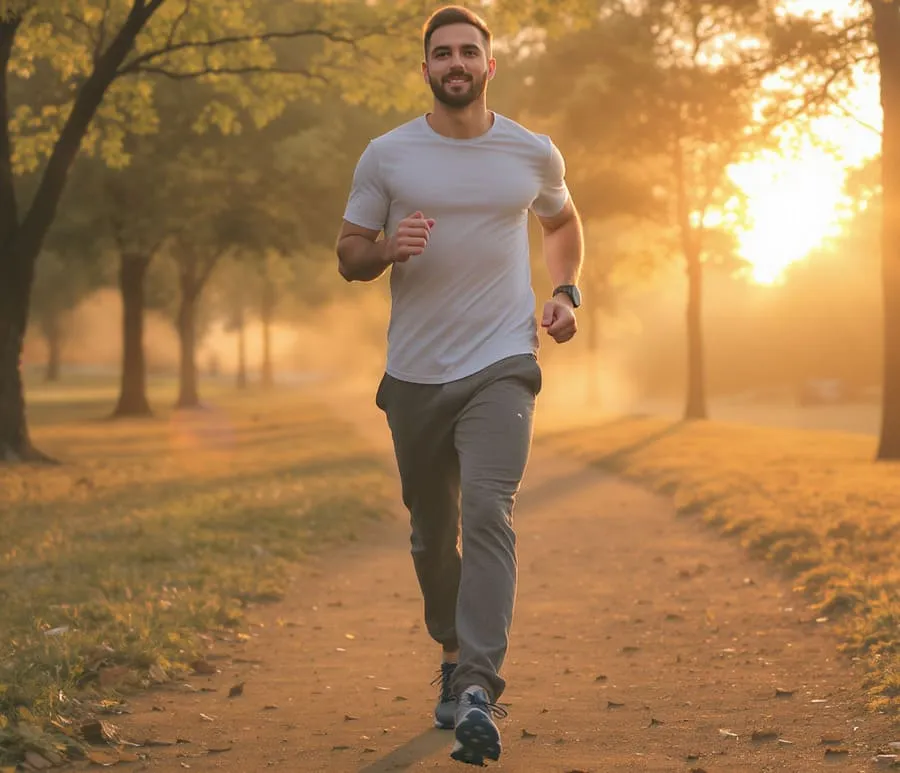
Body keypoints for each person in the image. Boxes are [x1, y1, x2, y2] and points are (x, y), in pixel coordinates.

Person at [335, 4, 584, 767]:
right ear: (425, 69)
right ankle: (450, 646)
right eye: (442, 53)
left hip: (502, 361)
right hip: (414, 372)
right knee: (429, 532)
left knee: (486, 509)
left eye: (468, 51)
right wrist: (386, 247)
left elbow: (562, 223)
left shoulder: (531, 152)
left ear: (489, 65)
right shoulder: (387, 156)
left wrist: (566, 292)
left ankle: (476, 685)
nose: (456, 63)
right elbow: (347, 253)